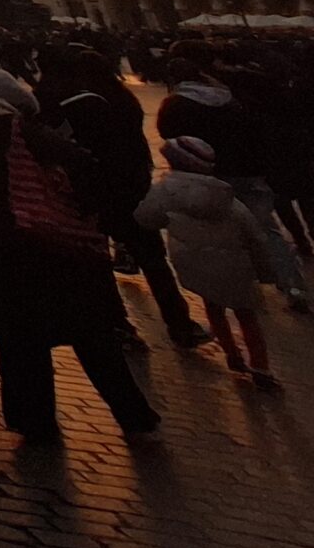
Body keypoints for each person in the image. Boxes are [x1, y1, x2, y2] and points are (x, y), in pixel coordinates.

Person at [0, 72, 159, 439]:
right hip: (51, 244)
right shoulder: (20, 129)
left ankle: (32, 420)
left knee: (22, 338)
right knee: (92, 334)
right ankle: (133, 416)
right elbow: (82, 163)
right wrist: (79, 204)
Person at [52, 50, 207, 348]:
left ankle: (118, 324)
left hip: (98, 194)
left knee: (98, 261)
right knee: (154, 262)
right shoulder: (124, 99)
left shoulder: (82, 106)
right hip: (134, 190)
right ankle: (179, 323)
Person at [157, 54, 313, 312]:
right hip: (248, 173)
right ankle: (293, 286)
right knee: (267, 231)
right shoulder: (228, 98)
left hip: (206, 177)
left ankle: (241, 289)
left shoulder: (175, 105)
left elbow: (168, 136)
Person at [138, 136, 285, 391]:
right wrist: (267, 272)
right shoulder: (229, 200)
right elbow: (255, 238)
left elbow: (145, 217)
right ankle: (261, 367)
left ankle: (232, 354)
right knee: (247, 315)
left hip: (194, 263)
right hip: (235, 266)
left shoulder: (165, 192)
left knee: (213, 308)